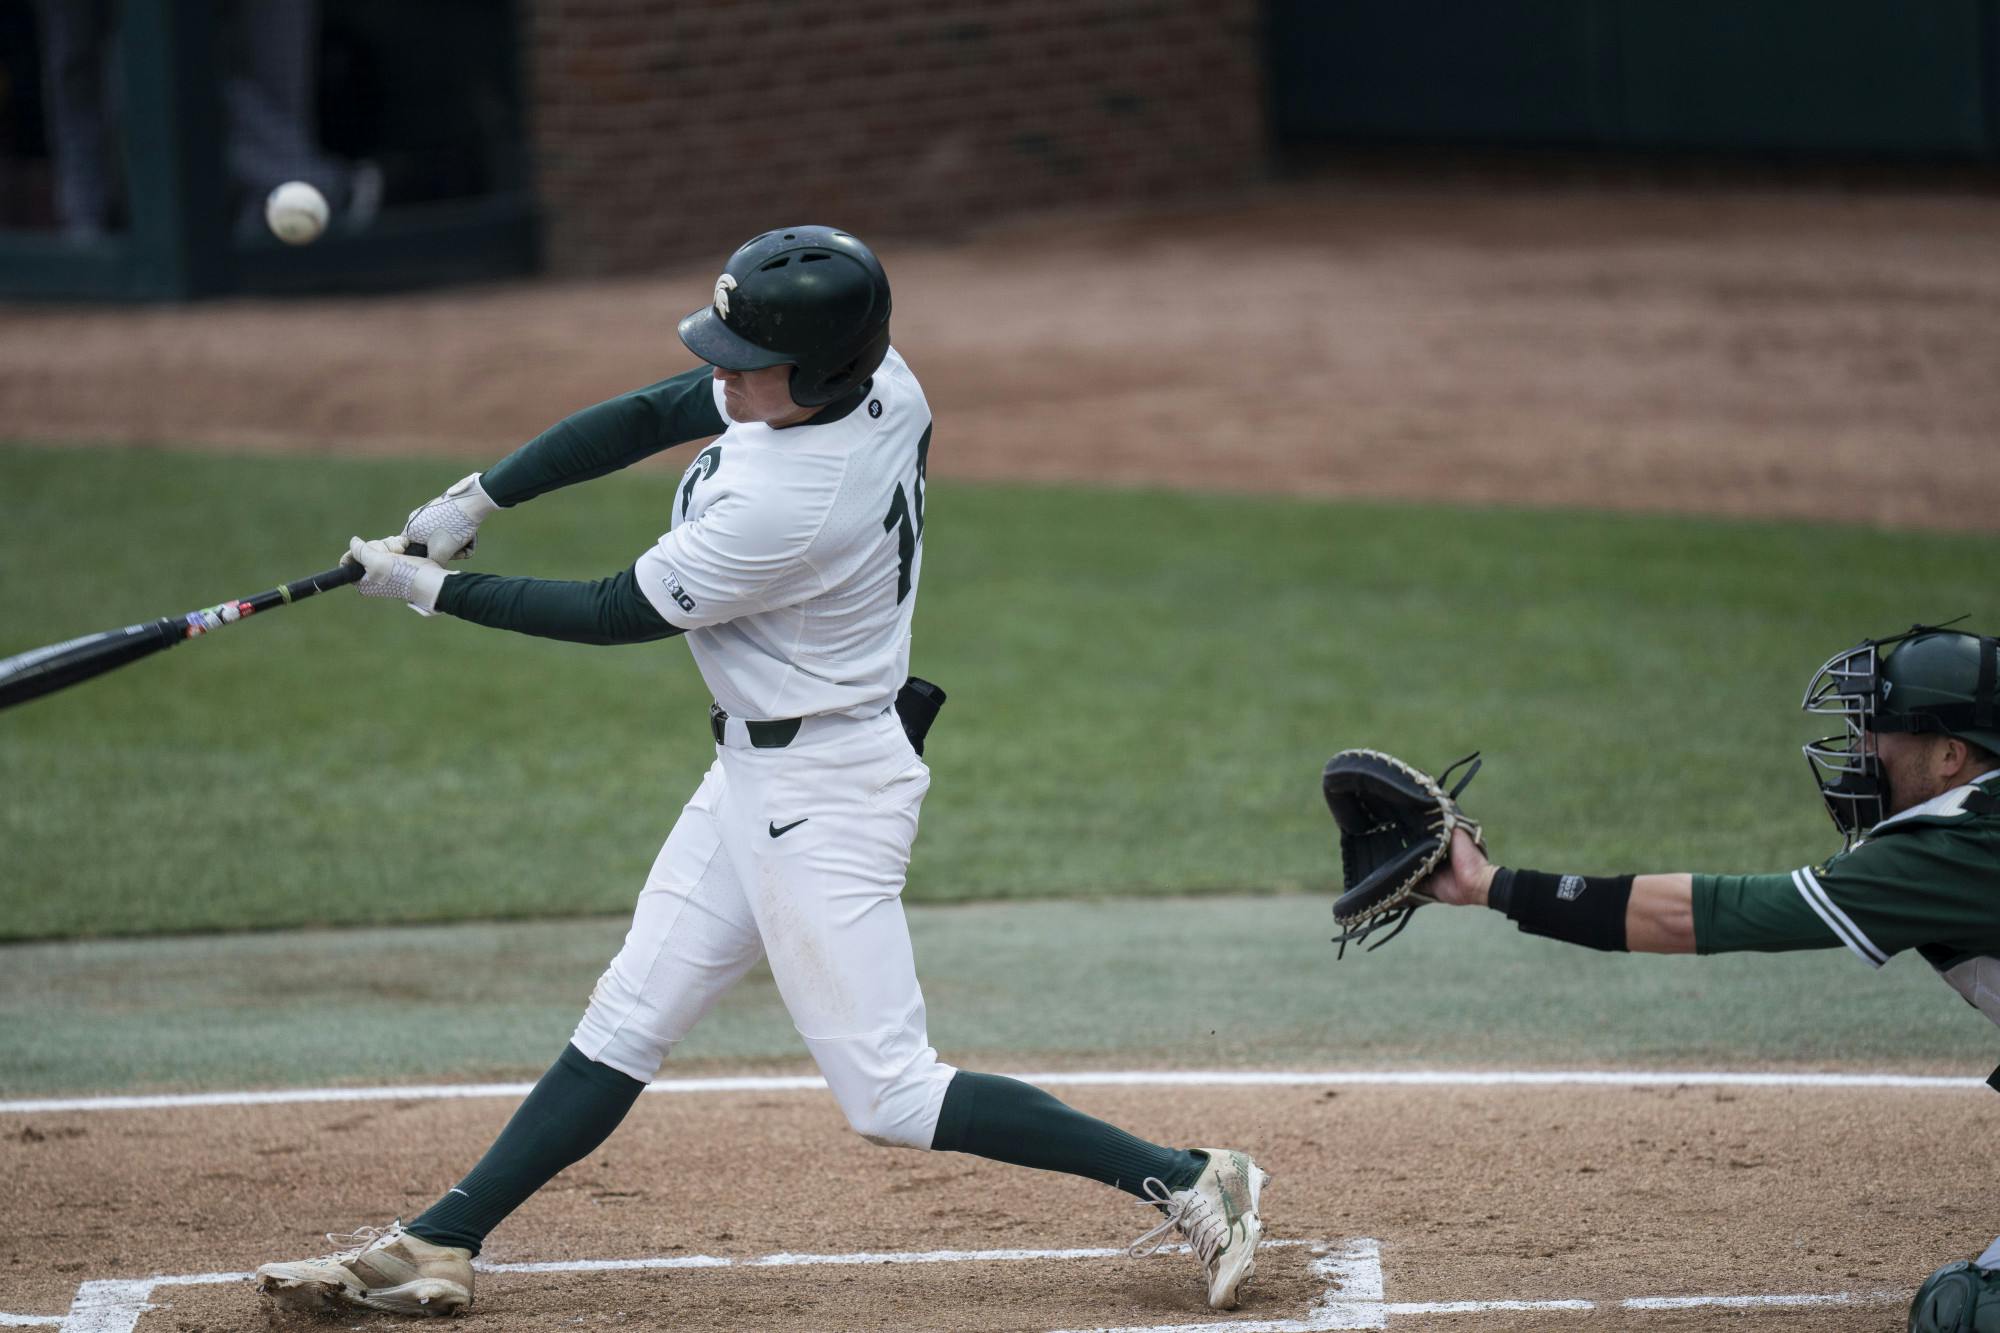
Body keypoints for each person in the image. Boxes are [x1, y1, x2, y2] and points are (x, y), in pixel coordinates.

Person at [252, 226, 1268, 1319]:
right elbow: (651, 413)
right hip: (754, 771)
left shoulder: (790, 504)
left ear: (823, 368)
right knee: (627, 1019)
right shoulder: (873, 380)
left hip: (824, 792)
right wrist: (478, 497)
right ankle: (441, 1240)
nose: (721, 375)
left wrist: (424, 591)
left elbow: (608, 611)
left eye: (745, 359)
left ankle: (1192, 1173)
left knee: (888, 1090)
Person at [1408, 624, 2000, 1331]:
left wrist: (1490, 884)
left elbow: (1700, 916)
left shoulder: (1954, 849)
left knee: (1966, 1315)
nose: (1865, 749)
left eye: (1884, 731)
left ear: (1949, 754)